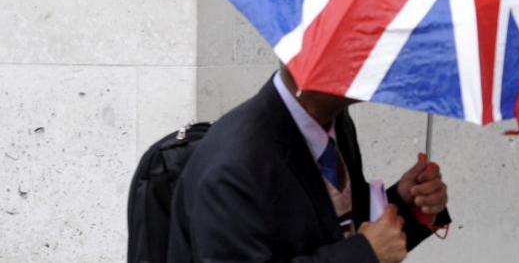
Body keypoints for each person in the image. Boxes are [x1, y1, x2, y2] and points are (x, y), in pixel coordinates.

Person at [167, 62, 451, 263]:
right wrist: (364, 254)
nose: (377, 58)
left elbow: (336, 226)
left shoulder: (333, 121)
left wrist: (406, 204)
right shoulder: (233, 168)